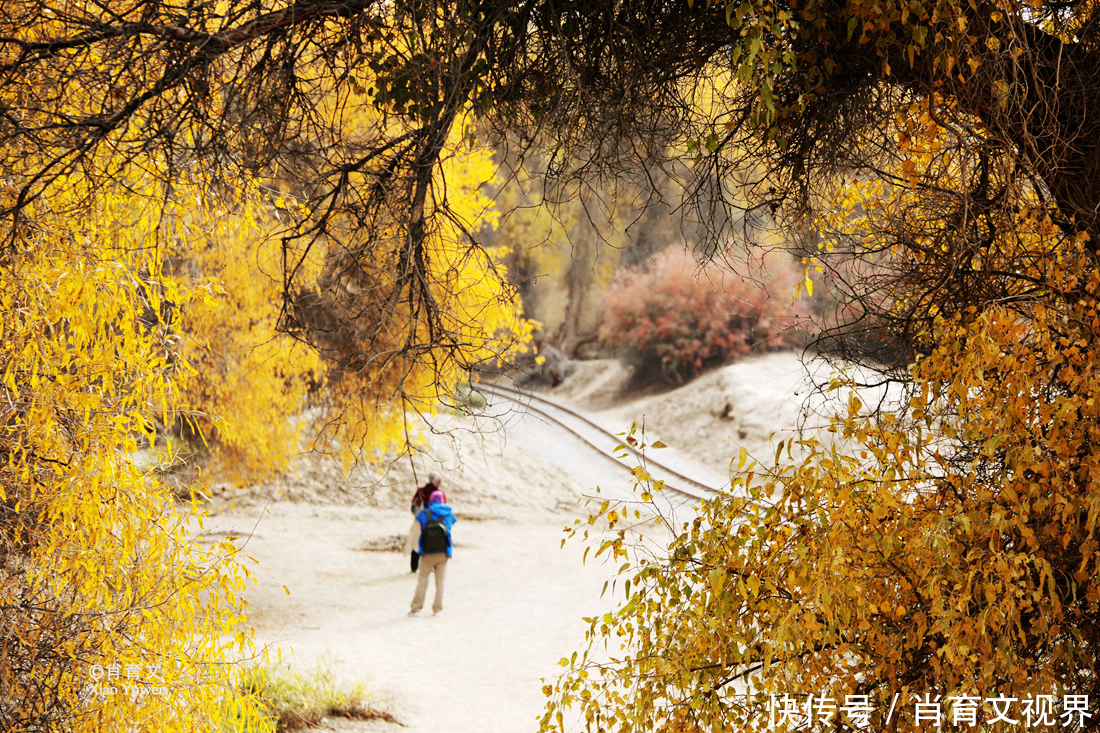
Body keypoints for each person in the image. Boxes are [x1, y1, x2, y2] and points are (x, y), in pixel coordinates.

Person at [409, 490, 456, 617]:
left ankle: (416, 608)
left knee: (423, 580)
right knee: (440, 582)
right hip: (443, 551)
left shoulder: (425, 513)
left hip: (427, 551)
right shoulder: (448, 513)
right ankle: (437, 609)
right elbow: (452, 523)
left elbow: (419, 522)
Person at [407, 471, 445, 572]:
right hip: (433, 523)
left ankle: (414, 567)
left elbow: (413, 507)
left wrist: (418, 517)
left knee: (417, 543)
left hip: (420, 521)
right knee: (431, 543)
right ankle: (429, 566)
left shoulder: (423, 491)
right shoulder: (438, 493)